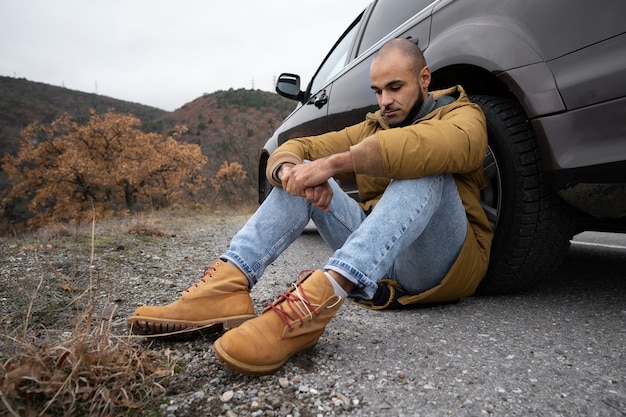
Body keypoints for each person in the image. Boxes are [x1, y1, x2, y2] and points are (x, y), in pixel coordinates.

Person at [127, 38, 493, 375]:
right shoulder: (374, 127)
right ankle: (224, 287)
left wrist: (333, 164)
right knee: (303, 176)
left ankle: (316, 304)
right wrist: (292, 169)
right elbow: (299, 147)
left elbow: (447, 145)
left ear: (424, 78)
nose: (384, 101)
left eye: (395, 88)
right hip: (380, 254)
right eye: (378, 91)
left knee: (426, 166)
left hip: (438, 263)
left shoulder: (462, 115)